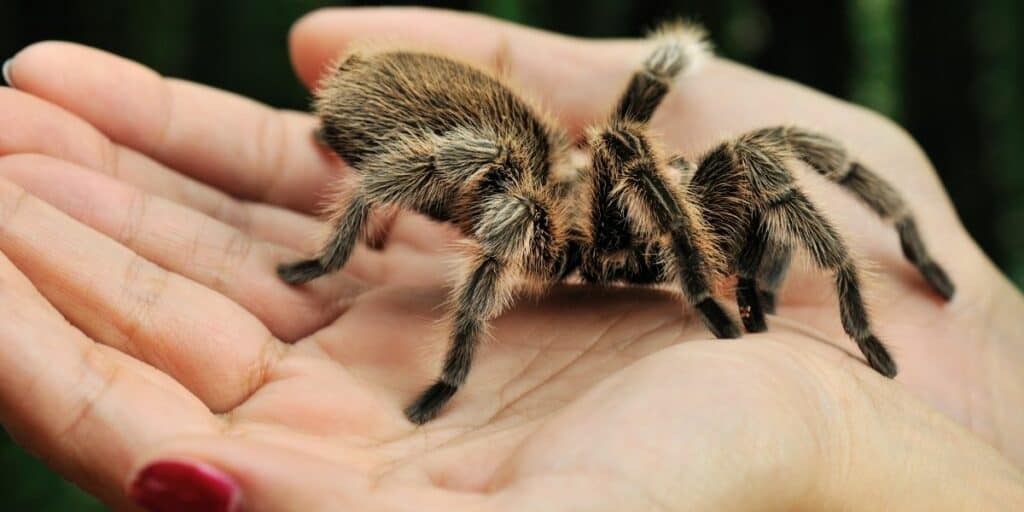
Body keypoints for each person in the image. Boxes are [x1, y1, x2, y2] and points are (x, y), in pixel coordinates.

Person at [0, 7, 1021, 511]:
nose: (668, 173)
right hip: (448, 142)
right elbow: (608, 150)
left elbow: (706, 127)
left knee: (777, 161)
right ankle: (430, 338)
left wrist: (894, 275)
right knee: (521, 157)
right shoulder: (551, 191)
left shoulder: (706, 179)